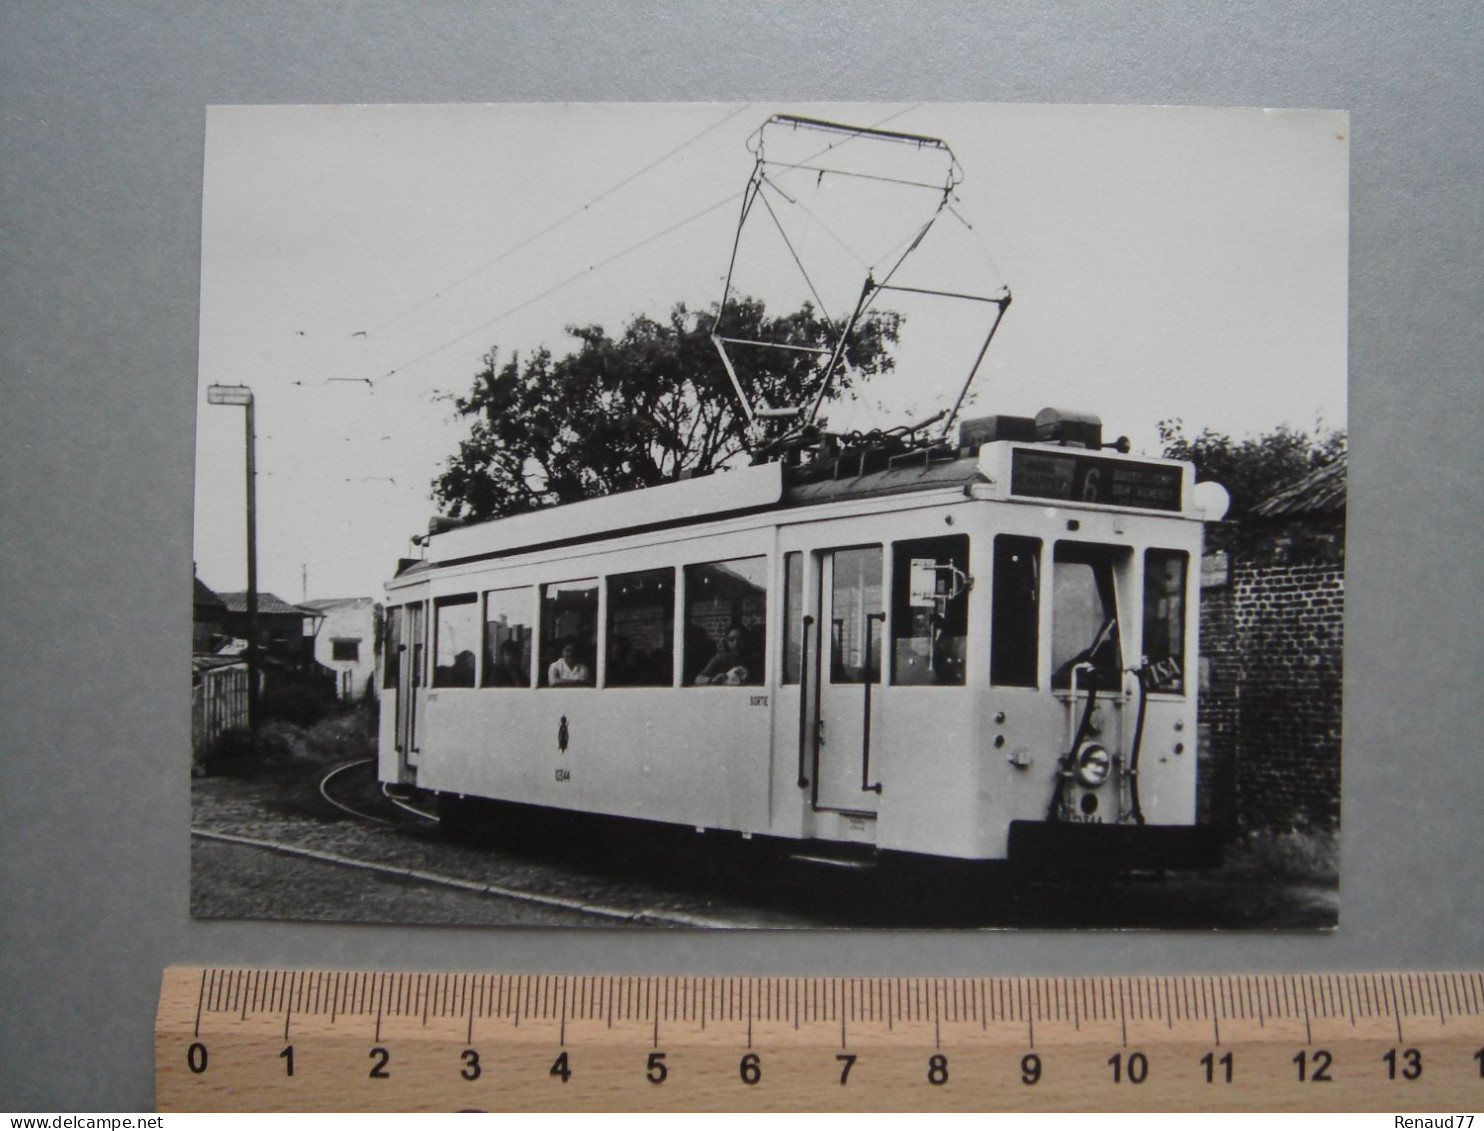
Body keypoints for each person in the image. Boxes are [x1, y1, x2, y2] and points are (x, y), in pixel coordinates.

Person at [693, 623, 758, 686]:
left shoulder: (754, 659)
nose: (736, 643)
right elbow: (698, 679)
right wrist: (712, 680)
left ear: (746, 640)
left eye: (740, 639)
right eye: (731, 640)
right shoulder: (721, 658)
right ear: (726, 642)